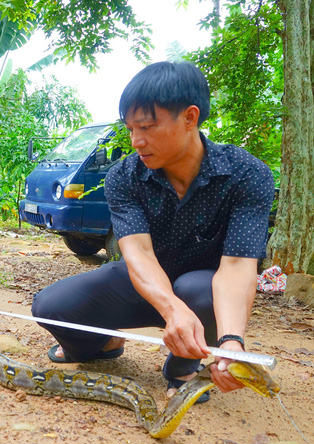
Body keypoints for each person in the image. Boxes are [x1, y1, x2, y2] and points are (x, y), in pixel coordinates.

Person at [31, 61, 275, 402]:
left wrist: (232, 339)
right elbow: (139, 254)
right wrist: (171, 309)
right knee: (50, 306)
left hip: (201, 293)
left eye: (146, 126)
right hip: (140, 283)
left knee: (200, 290)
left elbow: (237, 266)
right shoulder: (124, 177)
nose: (136, 141)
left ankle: (183, 367)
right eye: (130, 128)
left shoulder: (247, 174)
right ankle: (103, 343)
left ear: (190, 118)